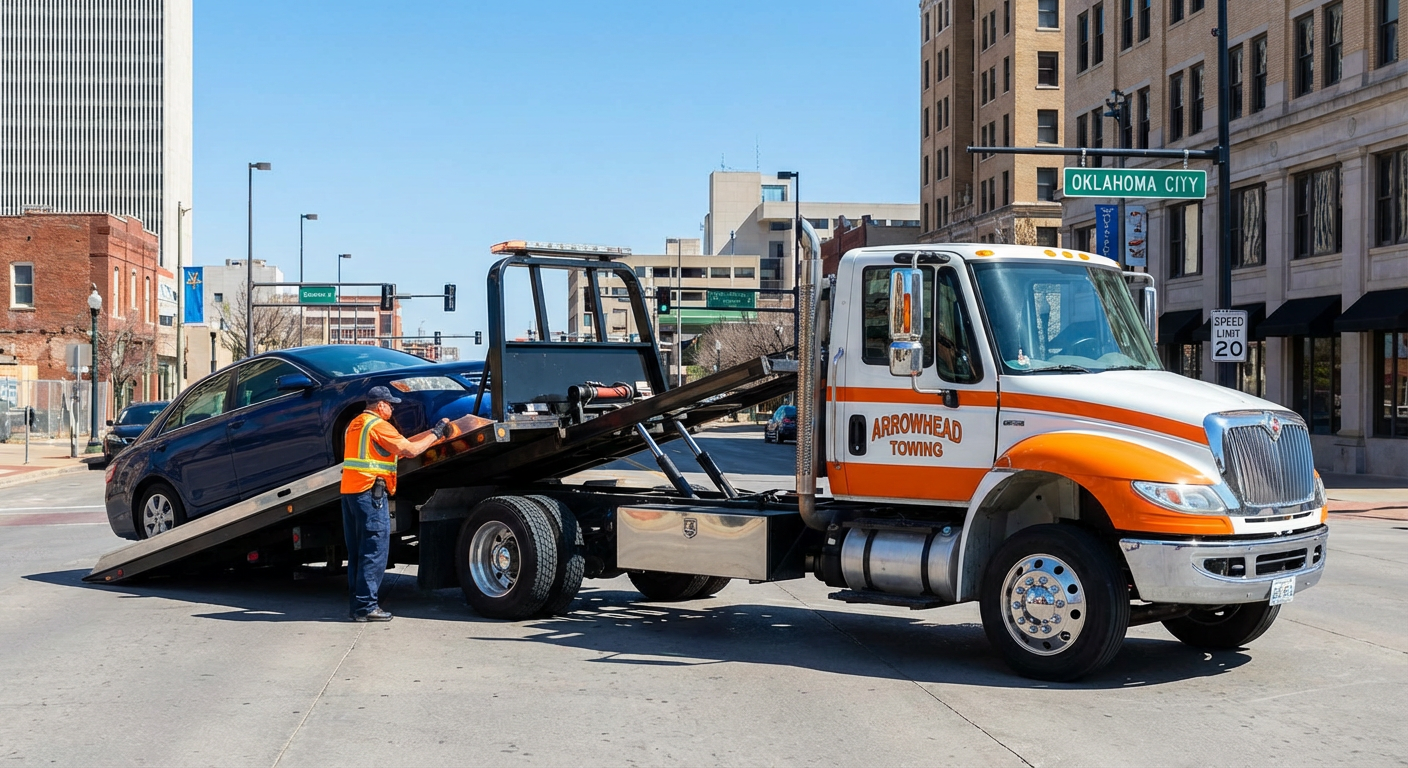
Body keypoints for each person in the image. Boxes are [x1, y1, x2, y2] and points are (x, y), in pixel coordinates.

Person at [341, 385, 449, 621]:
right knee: (374, 551)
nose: (392, 408)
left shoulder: (355, 424)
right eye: (390, 405)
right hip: (370, 494)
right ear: (380, 405)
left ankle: (357, 606)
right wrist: (437, 433)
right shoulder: (378, 425)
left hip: (350, 494)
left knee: (358, 553)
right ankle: (367, 608)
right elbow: (409, 450)